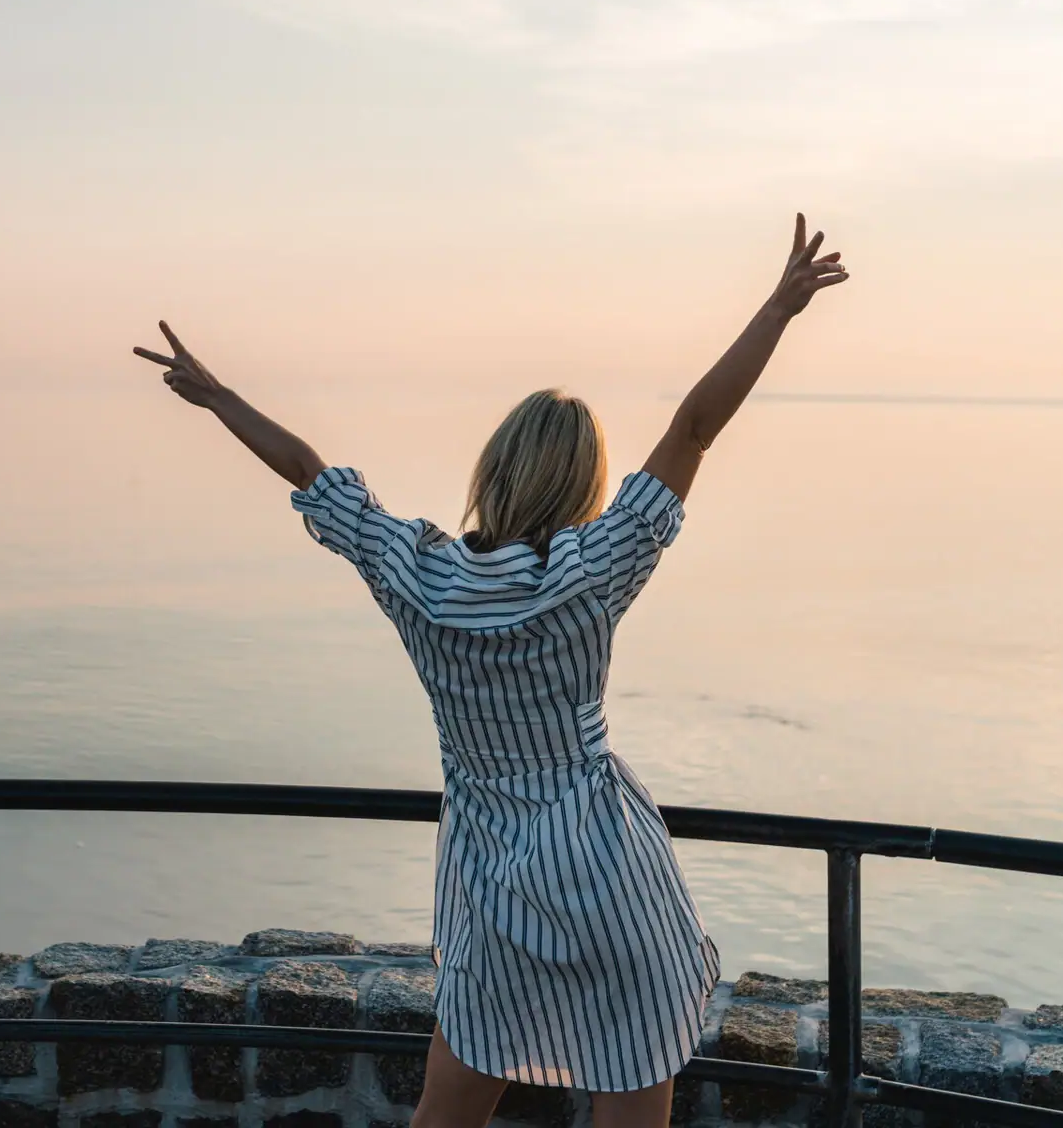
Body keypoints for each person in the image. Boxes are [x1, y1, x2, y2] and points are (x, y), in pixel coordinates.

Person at [134, 214, 848, 1127]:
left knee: (445, 1121)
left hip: (493, 890)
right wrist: (778, 309)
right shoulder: (595, 572)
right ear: (581, 484)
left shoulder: (416, 573)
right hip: (608, 882)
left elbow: (311, 472)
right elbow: (695, 429)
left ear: (495, 470)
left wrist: (218, 394)